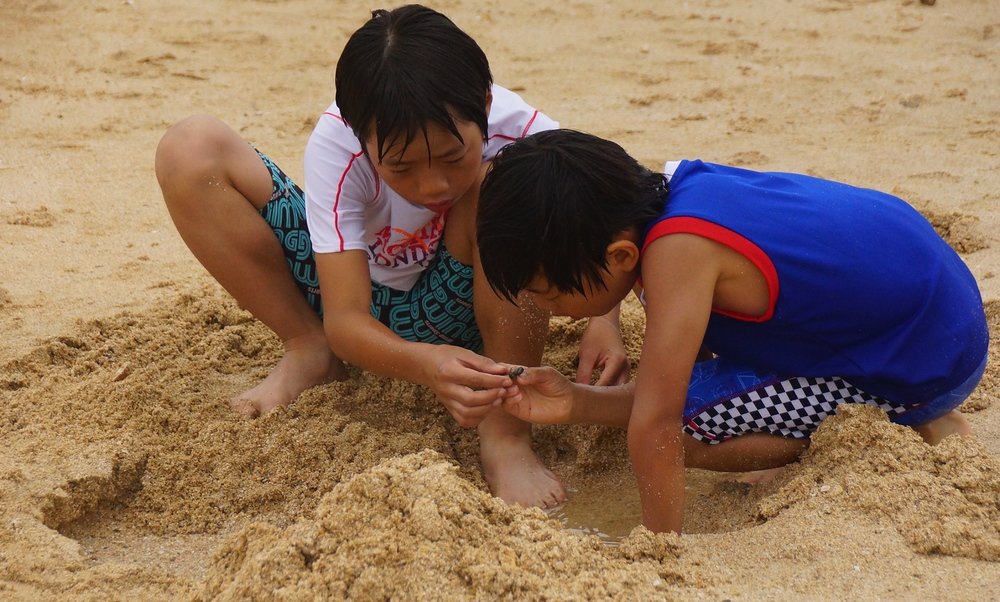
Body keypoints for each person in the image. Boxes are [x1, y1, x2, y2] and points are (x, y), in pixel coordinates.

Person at [154, 6, 629, 509]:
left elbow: (595, 225)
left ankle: (506, 435)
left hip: (468, 301)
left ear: (486, 107)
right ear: (360, 134)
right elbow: (347, 318)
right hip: (342, 297)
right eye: (401, 167)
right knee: (191, 148)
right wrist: (425, 364)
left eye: (452, 157)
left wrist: (604, 318)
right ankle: (306, 348)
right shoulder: (338, 147)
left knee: (507, 183)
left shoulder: (526, 132)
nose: (434, 186)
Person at [475, 129, 989, 533]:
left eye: (549, 294)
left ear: (620, 256)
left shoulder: (677, 253)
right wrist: (574, 401)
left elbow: (659, 424)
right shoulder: (674, 192)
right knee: (691, 369)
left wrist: (659, 553)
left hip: (925, 361)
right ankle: (883, 411)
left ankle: (910, 420)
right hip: (938, 309)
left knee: (690, 429)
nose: (550, 310)